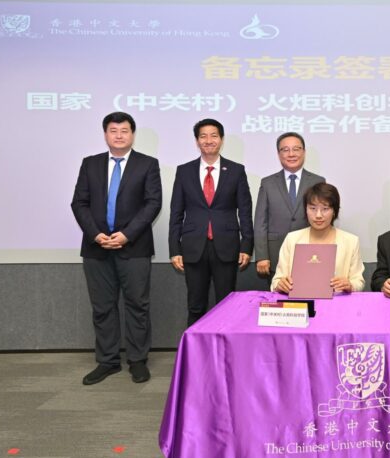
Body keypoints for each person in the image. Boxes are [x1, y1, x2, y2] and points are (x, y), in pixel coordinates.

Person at [70, 112, 162, 385]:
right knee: (103, 307)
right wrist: (97, 234)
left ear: (132, 134)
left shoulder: (147, 164)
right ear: (105, 134)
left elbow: (152, 204)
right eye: (113, 130)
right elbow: (79, 203)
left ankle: (137, 360)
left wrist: (127, 235)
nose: (119, 135)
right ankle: (108, 361)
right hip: (96, 247)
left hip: (134, 248)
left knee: (137, 305)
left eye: (124, 130)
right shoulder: (90, 164)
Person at [169, 118, 253, 326]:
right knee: (195, 304)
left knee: (226, 304)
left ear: (221, 140)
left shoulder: (236, 170)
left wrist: (246, 245)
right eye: (203, 136)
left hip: (226, 245)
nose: (208, 140)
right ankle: (195, 355)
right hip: (193, 247)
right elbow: (176, 212)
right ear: (197, 141)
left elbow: (245, 210)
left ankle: (226, 355)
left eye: (214, 135)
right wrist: (174, 249)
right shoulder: (184, 171)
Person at [254, 132, 325, 282]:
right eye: (285, 150)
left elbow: (324, 218)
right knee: (279, 301)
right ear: (279, 154)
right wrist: (262, 256)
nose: (291, 154)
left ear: (304, 152)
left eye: (296, 149)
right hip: (275, 254)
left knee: (311, 300)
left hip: (310, 252)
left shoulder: (318, 181)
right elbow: (260, 221)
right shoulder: (268, 183)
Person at [271, 183, 364, 294]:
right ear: (306, 209)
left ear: (334, 211)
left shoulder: (351, 241)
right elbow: (276, 282)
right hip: (300, 305)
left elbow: (359, 282)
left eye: (325, 209)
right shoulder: (292, 239)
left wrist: (350, 285)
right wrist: (280, 284)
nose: (318, 215)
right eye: (313, 208)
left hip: (337, 304)